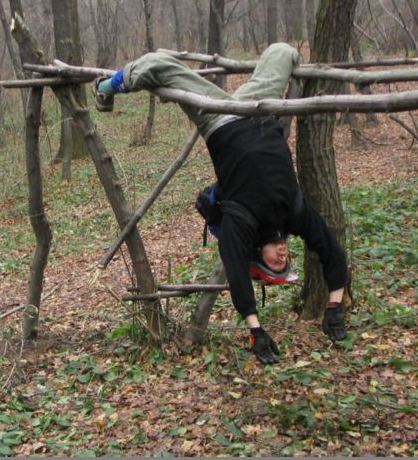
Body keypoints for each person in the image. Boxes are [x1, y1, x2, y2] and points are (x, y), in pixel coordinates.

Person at [94, 43, 349, 364]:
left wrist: (256, 330)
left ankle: (104, 88)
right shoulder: (295, 215)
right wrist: (335, 306)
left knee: (156, 64)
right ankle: (109, 85)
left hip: (221, 121)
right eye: (286, 262)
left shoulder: (241, 223)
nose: (283, 256)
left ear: (259, 257)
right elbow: (331, 252)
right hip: (260, 110)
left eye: (276, 264)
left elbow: (238, 279)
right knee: (283, 51)